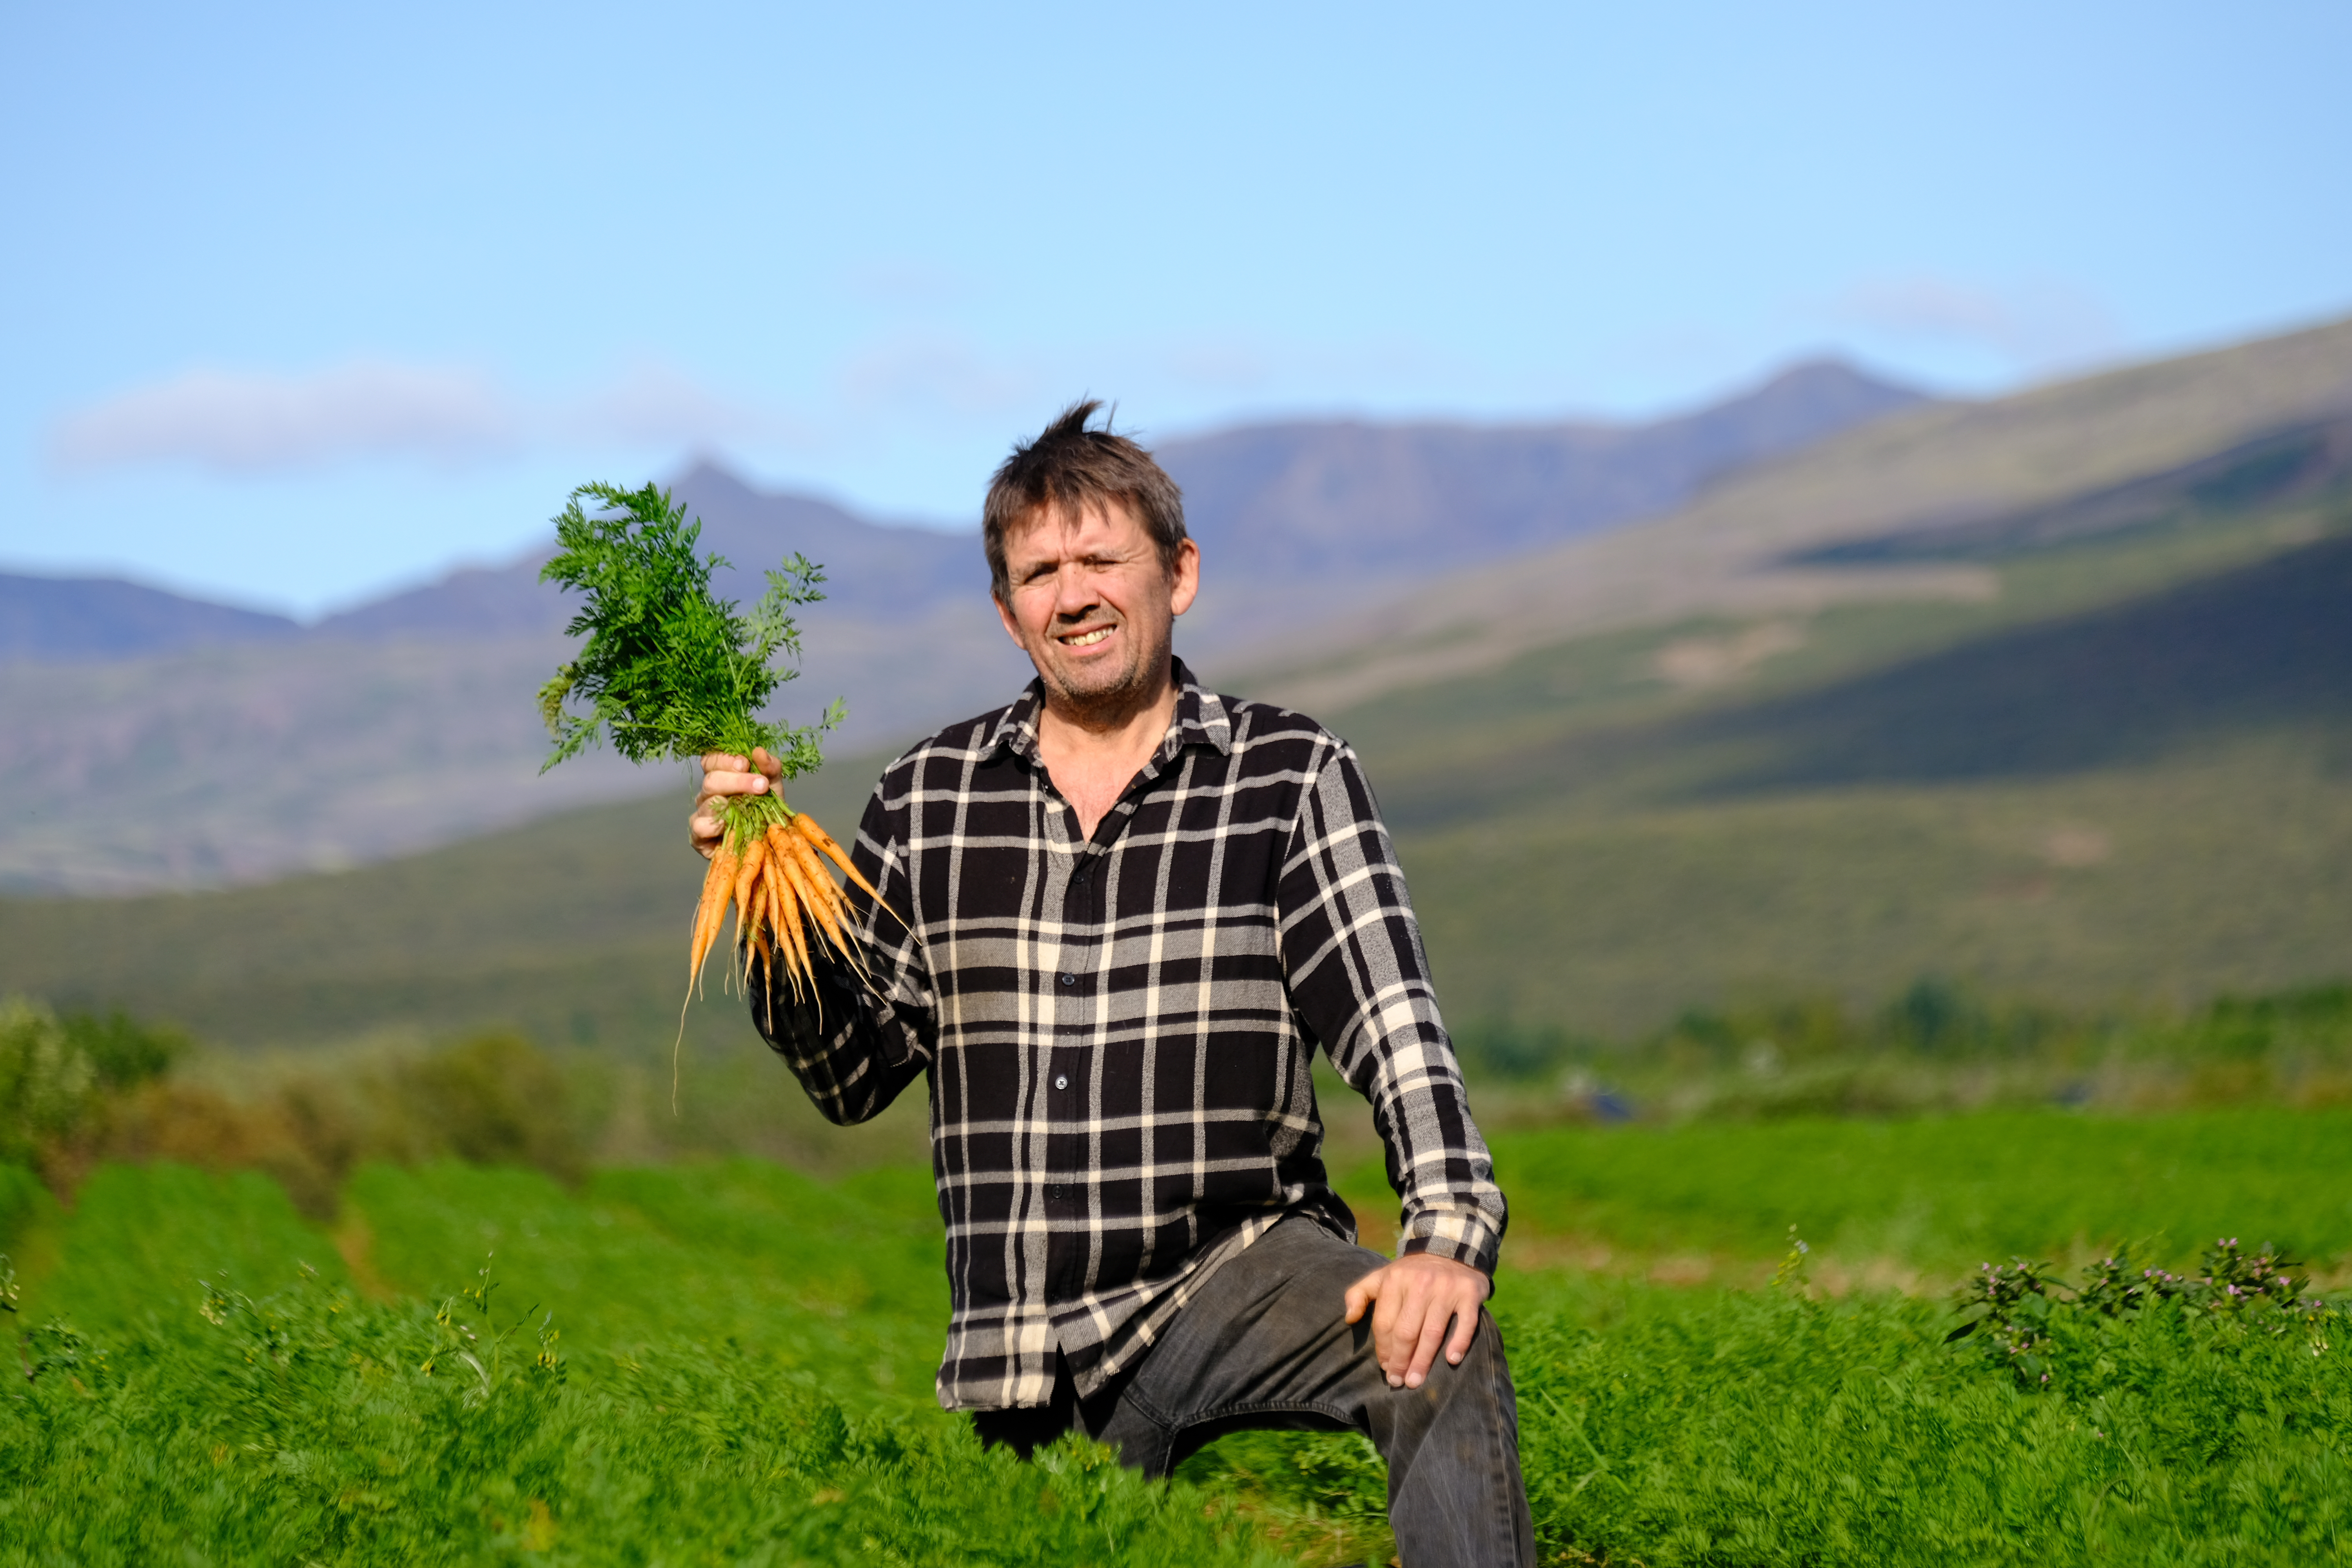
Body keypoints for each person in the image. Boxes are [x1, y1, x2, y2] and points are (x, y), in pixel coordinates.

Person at [690, 400, 1533, 1565]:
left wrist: (1445, 1236)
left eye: (1101, 560)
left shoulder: (1284, 774)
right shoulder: (927, 801)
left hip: (1232, 1272)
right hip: (1023, 1348)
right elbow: (849, 1072)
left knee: (1438, 1347)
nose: (1073, 594)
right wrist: (761, 894)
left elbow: (1394, 1027)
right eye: (1040, 573)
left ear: (1178, 575)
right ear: (1006, 611)